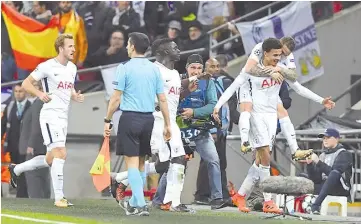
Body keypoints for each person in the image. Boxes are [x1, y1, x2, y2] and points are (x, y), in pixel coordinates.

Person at [213, 38, 336, 213]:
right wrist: (218, 106)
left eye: (281, 55)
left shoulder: (281, 68)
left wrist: (321, 100)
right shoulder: (251, 70)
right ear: (265, 53)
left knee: (260, 162)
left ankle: (239, 196)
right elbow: (233, 87)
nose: (279, 58)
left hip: (271, 116)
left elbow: (299, 88)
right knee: (265, 158)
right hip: (257, 114)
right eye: (275, 55)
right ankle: (268, 201)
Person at [8, 34, 84, 207]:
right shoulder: (47, 66)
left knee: (51, 158)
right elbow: (26, 83)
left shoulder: (72, 68)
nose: (74, 49)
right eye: (70, 46)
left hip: (64, 116)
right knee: (61, 153)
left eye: (73, 46)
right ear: (61, 48)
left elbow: (69, 86)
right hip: (50, 115)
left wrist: (75, 95)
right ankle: (59, 198)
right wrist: (40, 94)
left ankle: (17, 169)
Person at [103, 32, 171, 217]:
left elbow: (116, 98)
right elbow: (162, 100)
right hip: (148, 119)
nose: (126, 47)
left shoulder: (124, 68)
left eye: (127, 44)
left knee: (132, 163)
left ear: (132, 46)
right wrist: (168, 124)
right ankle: (134, 202)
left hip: (130, 118)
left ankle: (140, 204)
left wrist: (107, 120)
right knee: (141, 163)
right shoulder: (154, 69)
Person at [237, 37, 315, 160]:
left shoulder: (283, 62)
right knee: (262, 155)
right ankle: (245, 142)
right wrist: (269, 72)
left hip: (270, 109)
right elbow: (248, 70)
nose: (282, 56)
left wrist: (279, 70)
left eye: (284, 54)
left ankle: (295, 150)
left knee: (264, 157)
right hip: (254, 101)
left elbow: (293, 77)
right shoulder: (259, 51)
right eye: (280, 53)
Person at [299, 128, 354, 214]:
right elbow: (316, 179)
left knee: (334, 173)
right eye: (324, 138)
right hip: (325, 186)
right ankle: (297, 209)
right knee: (302, 177)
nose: (325, 140)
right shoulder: (323, 155)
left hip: (341, 188)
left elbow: (334, 173)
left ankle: (315, 206)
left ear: (336, 139)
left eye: (328, 137)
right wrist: (309, 164)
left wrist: (318, 162)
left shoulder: (344, 154)